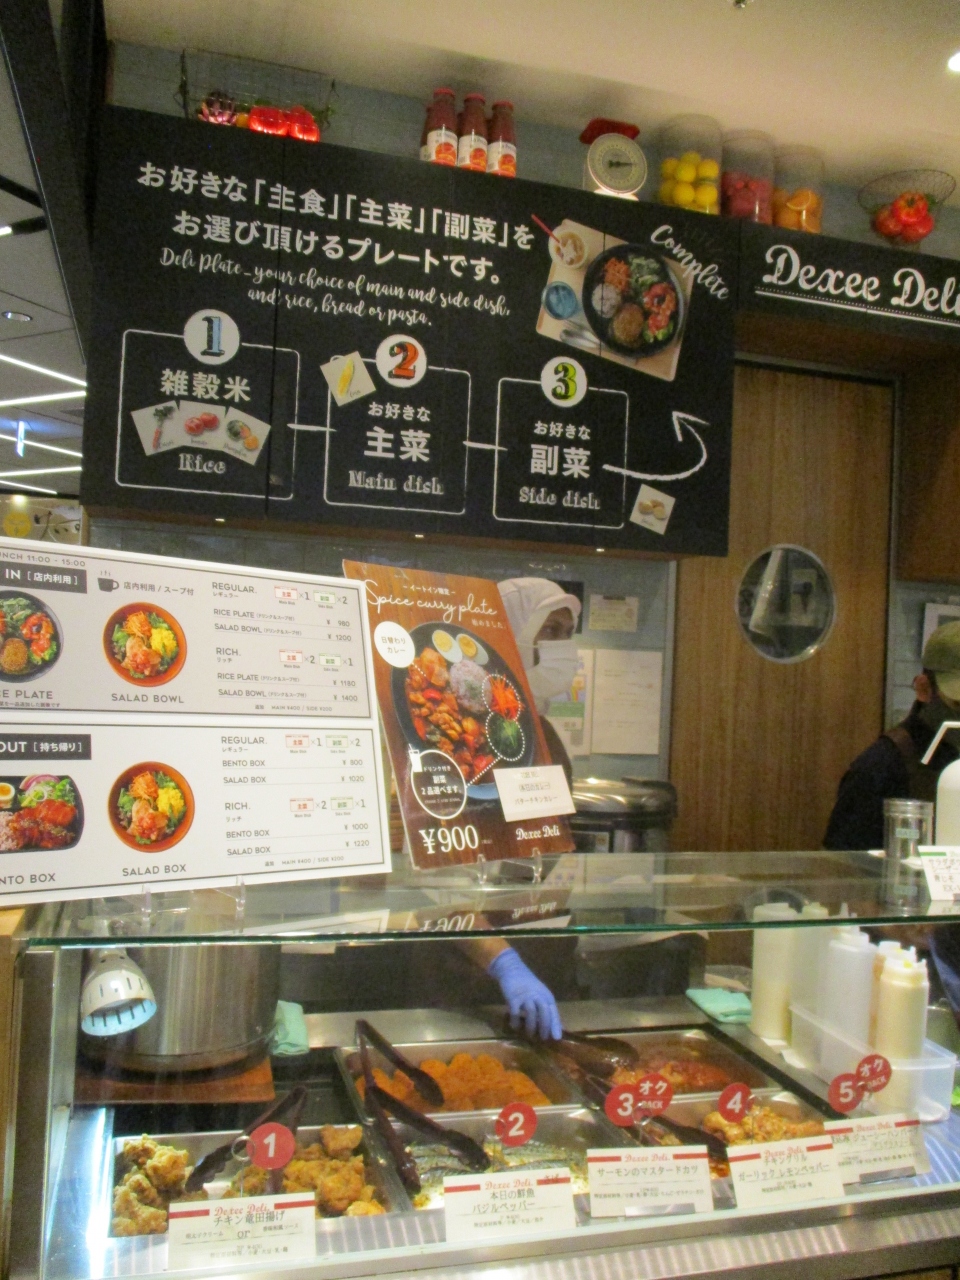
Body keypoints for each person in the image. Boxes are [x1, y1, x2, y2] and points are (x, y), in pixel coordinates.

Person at [824, 619, 960, 1011]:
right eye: (957, 703)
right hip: (905, 973)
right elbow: (837, 877)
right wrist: (897, 924)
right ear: (923, 689)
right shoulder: (881, 766)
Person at [498, 577, 582, 783]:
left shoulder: (547, 728)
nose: (563, 645)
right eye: (551, 630)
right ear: (512, 631)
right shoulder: (470, 724)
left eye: (568, 633)